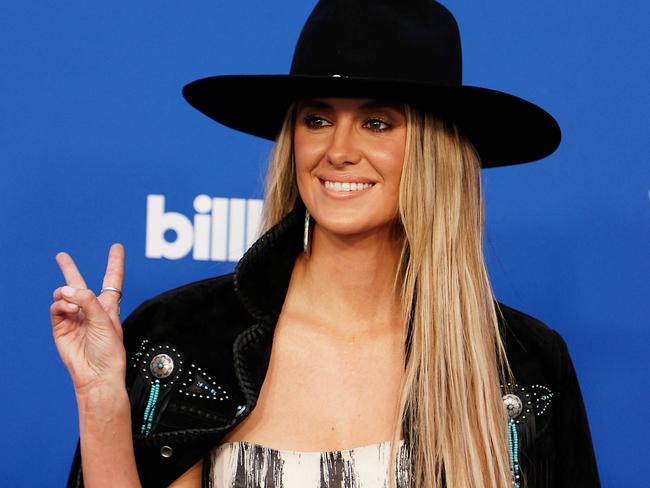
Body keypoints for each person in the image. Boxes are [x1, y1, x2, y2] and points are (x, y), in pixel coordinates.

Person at [51, 1, 601, 487]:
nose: (338, 150)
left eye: (377, 123)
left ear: (435, 155)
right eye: (317, 119)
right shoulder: (183, 336)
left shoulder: (522, 363)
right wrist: (101, 402)